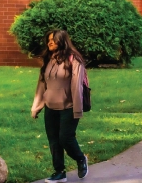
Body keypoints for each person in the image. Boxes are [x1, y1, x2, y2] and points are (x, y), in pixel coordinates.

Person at [31, 29, 88, 183]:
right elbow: (42, 85)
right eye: (48, 39)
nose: (50, 42)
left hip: (68, 106)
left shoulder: (74, 59)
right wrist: (37, 106)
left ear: (62, 41)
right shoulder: (48, 60)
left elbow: (77, 86)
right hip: (50, 107)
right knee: (54, 141)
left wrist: (77, 108)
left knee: (65, 138)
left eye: (53, 40)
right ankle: (59, 172)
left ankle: (81, 158)